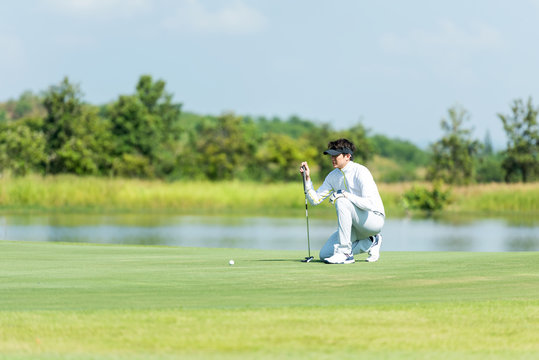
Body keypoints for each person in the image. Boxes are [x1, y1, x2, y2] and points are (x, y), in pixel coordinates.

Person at [300, 138, 385, 264]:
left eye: (336, 155)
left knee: (341, 200)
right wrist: (307, 178)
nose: (332, 158)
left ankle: (345, 253)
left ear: (347, 156)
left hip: (373, 220)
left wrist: (345, 195)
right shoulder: (333, 176)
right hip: (354, 227)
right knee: (325, 254)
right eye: (331, 155)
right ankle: (371, 242)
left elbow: (370, 204)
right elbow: (315, 200)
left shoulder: (361, 171)